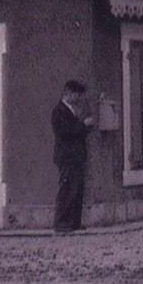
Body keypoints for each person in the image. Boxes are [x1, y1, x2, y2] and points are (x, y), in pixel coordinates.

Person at [51, 79, 96, 233]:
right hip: (67, 157)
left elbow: (75, 131)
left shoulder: (70, 111)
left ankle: (73, 222)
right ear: (68, 93)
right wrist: (84, 125)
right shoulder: (59, 111)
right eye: (77, 95)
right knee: (67, 190)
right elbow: (66, 131)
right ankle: (61, 223)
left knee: (76, 190)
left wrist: (84, 127)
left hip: (75, 157)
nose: (79, 98)